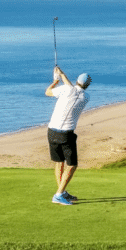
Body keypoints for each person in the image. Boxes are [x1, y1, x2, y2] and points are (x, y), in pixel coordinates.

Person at [45, 65, 90, 205]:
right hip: (65, 135)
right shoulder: (86, 96)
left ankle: (61, 192)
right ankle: (58, 195)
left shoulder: (67, 90)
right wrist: (62, 75)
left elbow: (48, 92)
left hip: (51, 131)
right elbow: (72, 89)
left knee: (59, 163)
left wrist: (55, 81)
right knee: (72, 165)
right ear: (88, 85)